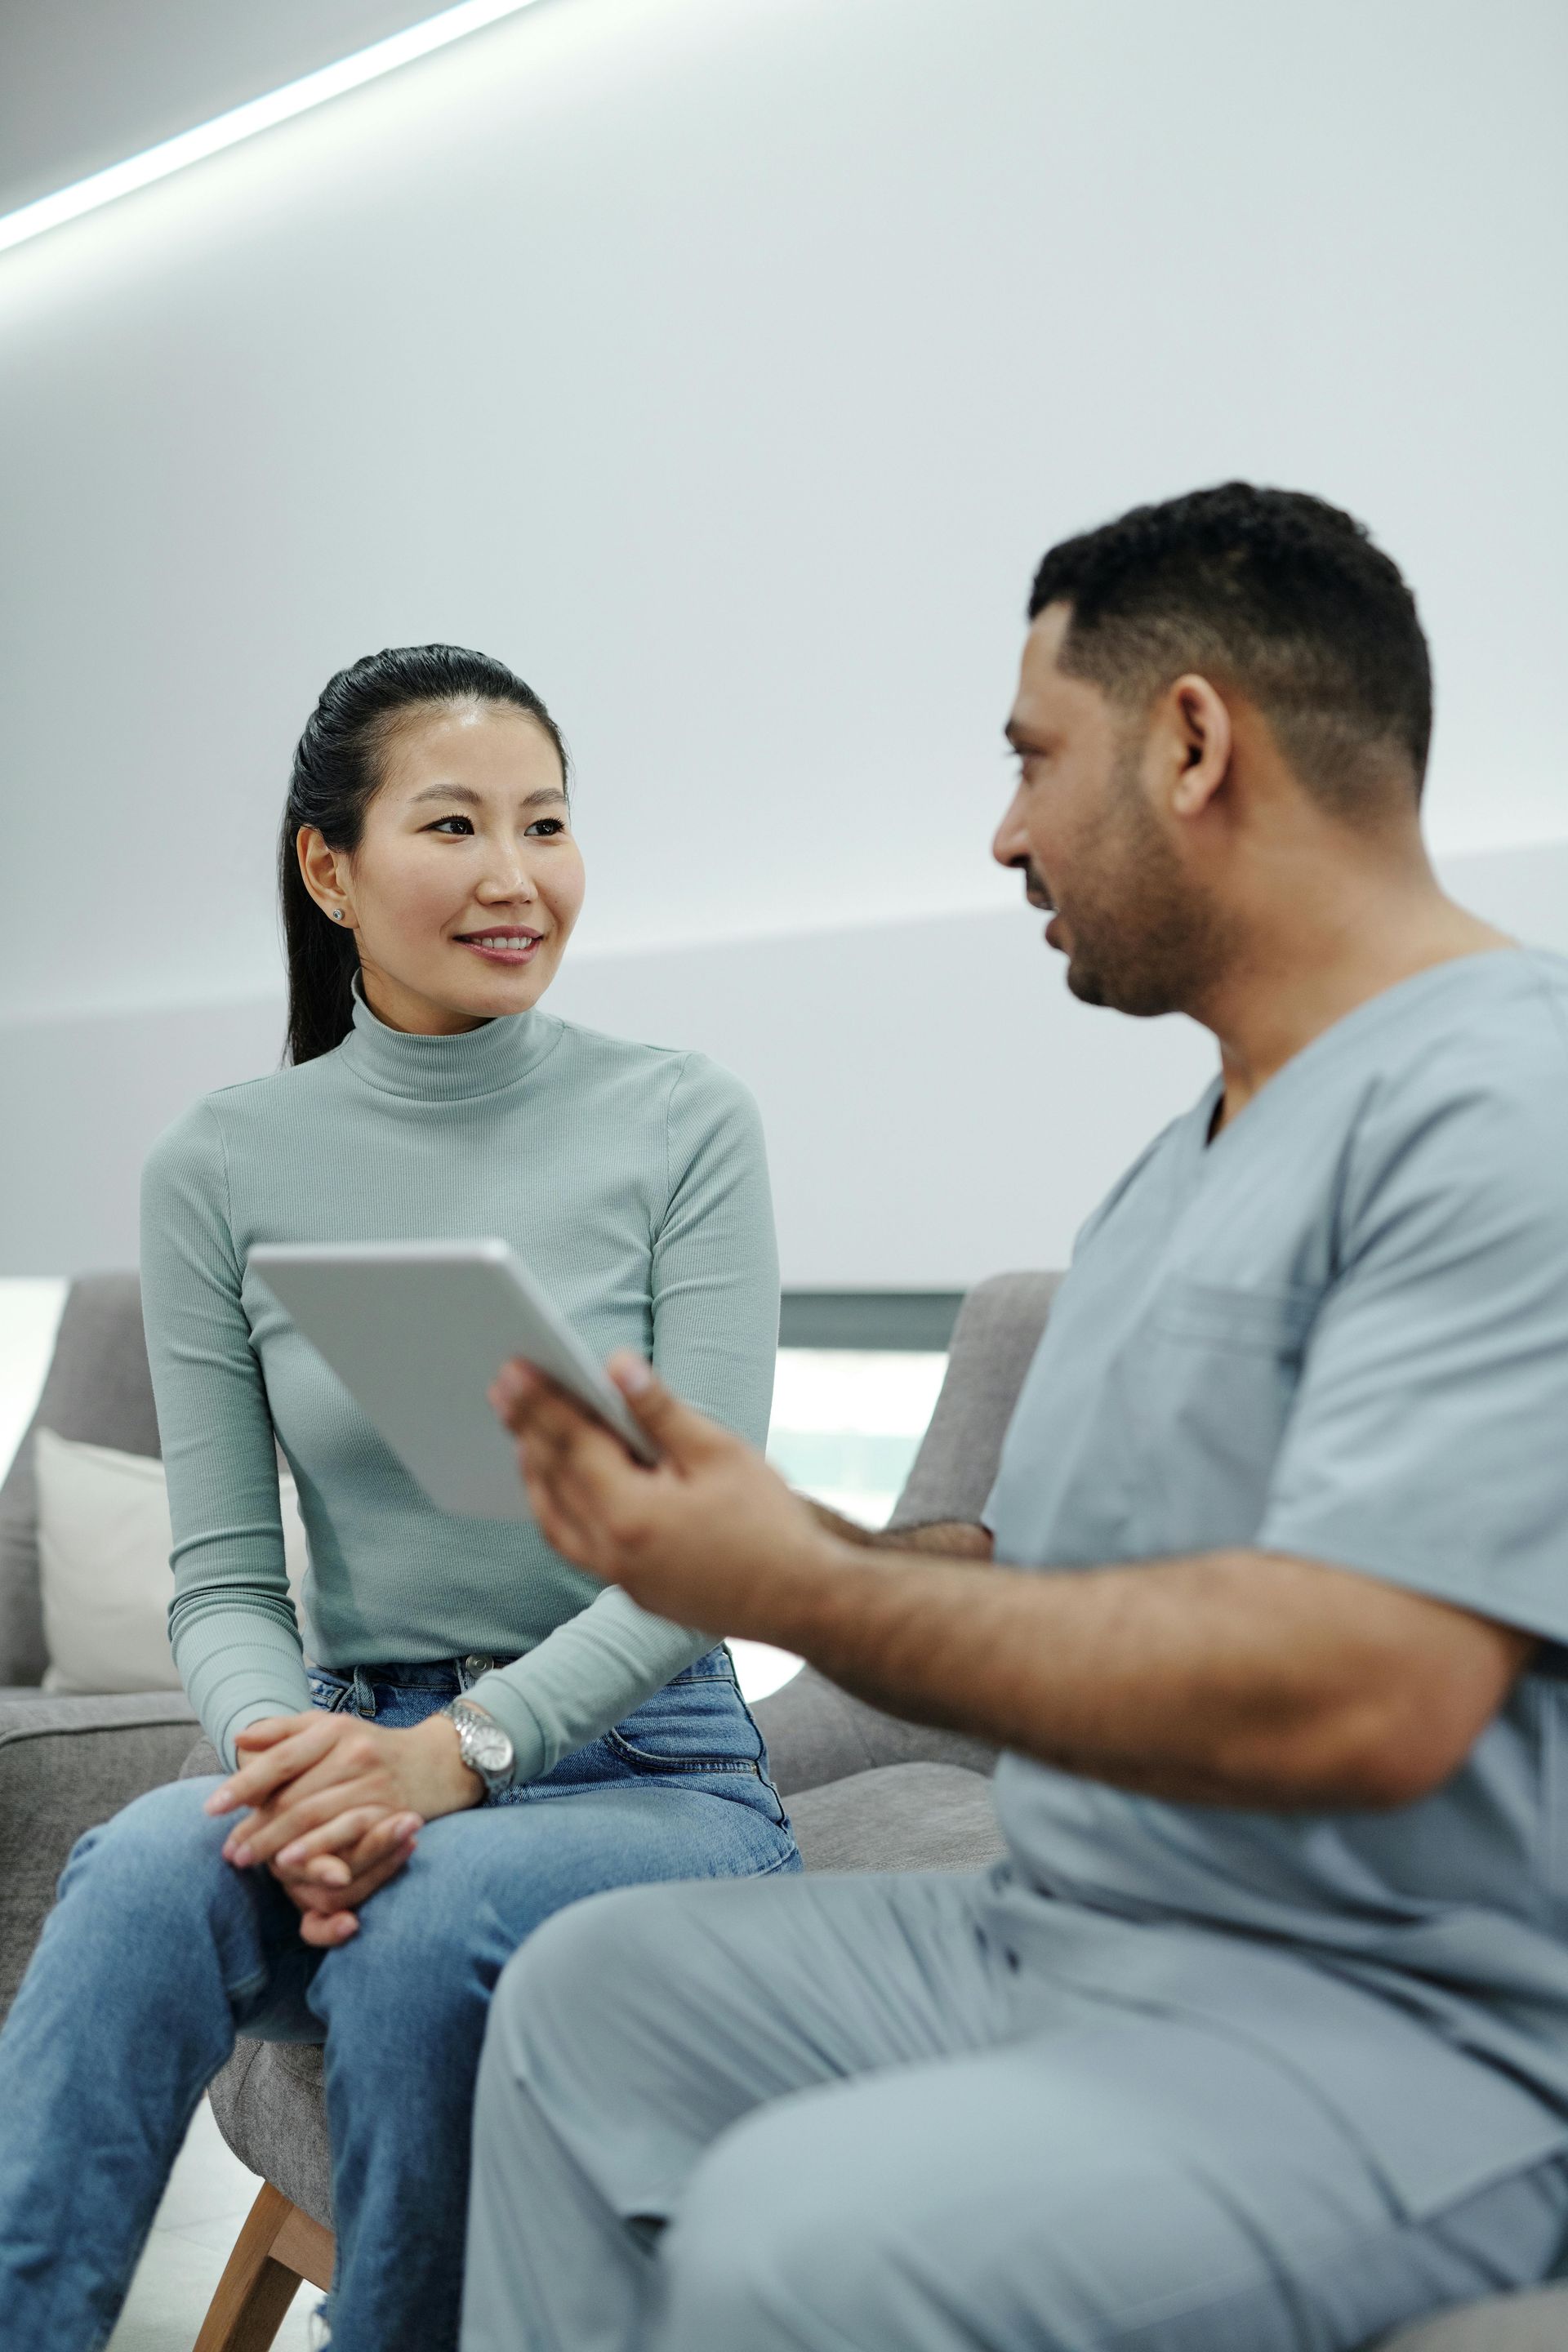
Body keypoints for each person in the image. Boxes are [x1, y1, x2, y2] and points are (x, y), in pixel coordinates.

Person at [461, 488, 1568, 2352]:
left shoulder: (1499, 1108)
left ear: (1196, 742)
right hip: (1062, 1942)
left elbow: (1364, 1690)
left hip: (1395, 2026)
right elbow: (1074, 1578)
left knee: (801, 2245)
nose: (1003, 831)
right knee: (586, 1997)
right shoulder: (1179, 1157)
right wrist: (769, 1544)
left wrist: (804, 1599)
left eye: (1032, 758)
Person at [0, 644, 797, 2352]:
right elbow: (221, 1581)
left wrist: (459, 1760)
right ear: (330, 868)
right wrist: (290, 1751)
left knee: (425, 1928)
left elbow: (704, 1567)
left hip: (655, 1782)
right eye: (456, 824)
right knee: (138, 1877)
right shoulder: (223, 1164)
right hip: (351, 1752)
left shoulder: (681, 1126)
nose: (518, 877)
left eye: (549, 824)